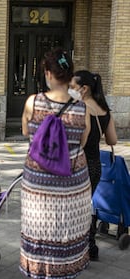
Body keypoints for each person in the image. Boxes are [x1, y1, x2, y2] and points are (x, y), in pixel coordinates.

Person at [20, 48, 92, 279]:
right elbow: (82, 142)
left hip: (38, 182)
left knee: (38, 229)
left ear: (49, 73)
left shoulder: (33, 102)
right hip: (73, 181)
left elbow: (26, 132)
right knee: (66, 229)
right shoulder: (82, 108)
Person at [69, 70, 118, 261]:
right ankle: (90, 246)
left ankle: (83, 247)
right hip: (96, 165)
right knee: (86, 205)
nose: (70, 90)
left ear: (85, 88)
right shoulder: (104, 109)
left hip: (81, 165)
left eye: (73, 87)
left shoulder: (83, 107)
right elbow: (112, 140)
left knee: (77, 208)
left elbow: (81, 140)